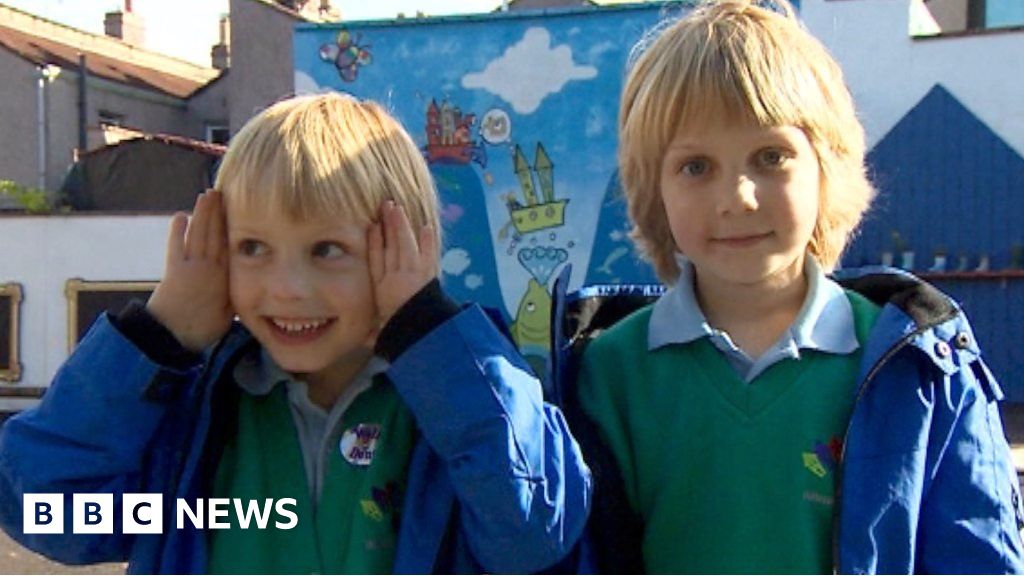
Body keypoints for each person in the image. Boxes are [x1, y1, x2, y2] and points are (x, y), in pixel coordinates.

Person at [0, 93, 591, 574]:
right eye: (253, 247)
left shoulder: (458, 405)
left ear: (406, 249)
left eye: (326, 249)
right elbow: (49, 512)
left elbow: (530, 532)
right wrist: (157, 338)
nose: (286, 288)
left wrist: (430, 332)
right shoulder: (199, 430)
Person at [557, 0, 1024, 573]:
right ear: (654, 190)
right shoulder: (605, 373)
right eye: (696, 166)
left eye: (770, 156)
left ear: (828, 167)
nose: (738, 198)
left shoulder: (922, 368)